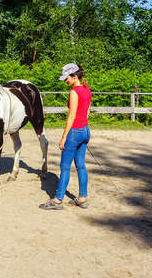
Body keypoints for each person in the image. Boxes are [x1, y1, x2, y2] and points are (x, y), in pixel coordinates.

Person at [39, 63, 91, 210]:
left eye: (66, 78)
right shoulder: (87, 89)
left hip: (74, 132)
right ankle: (82, 197)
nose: (65, 81)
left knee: (65, 167)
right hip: (85, 130)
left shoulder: (74, 92)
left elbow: (71, 116)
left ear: (74, 76)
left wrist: (64, 137)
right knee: (80, 165)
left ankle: (57, 200)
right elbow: (87, 113)